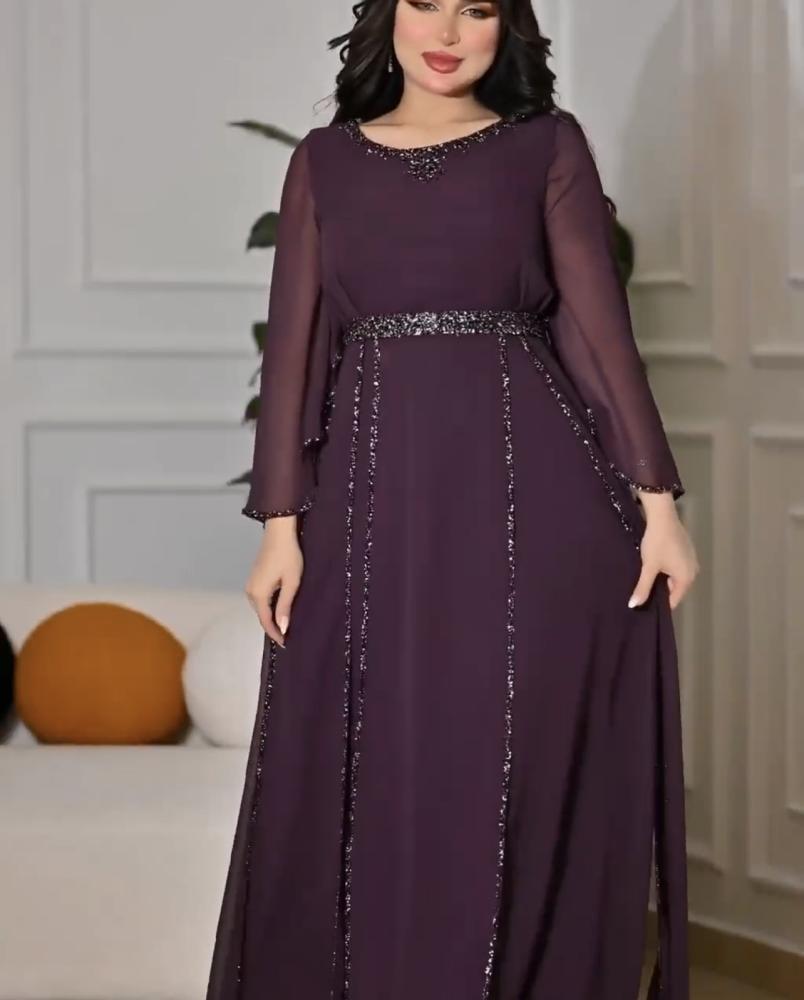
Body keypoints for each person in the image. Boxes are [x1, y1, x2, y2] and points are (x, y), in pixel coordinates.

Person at [205, 2, 699, 998]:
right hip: (365, 509)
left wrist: (659, 507)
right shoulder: (323, 163)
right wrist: (280, 532)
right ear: (387, 15)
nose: (447, 33)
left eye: (477, 9)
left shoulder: (546, 147)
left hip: (538, 510)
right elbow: (296, 349)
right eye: (426, 3)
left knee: (516, 771)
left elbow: (598, 333)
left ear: (507, 27)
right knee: (367, 767)